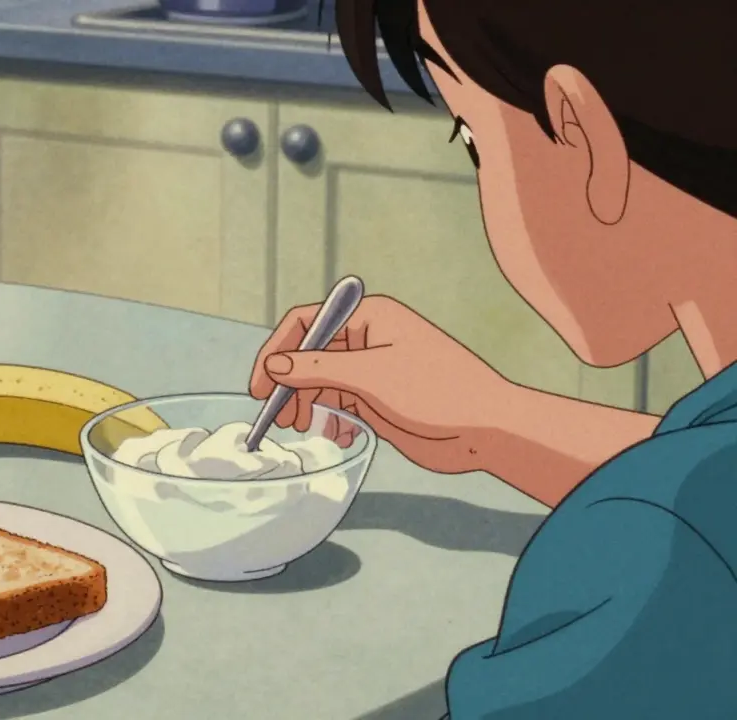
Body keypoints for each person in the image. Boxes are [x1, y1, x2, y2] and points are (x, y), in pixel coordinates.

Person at [249, 0, 737, 717]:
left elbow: (691, 520)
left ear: (582, 133)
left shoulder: (650, 550)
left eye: (471, 133)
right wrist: (492, 417)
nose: (476, 156)